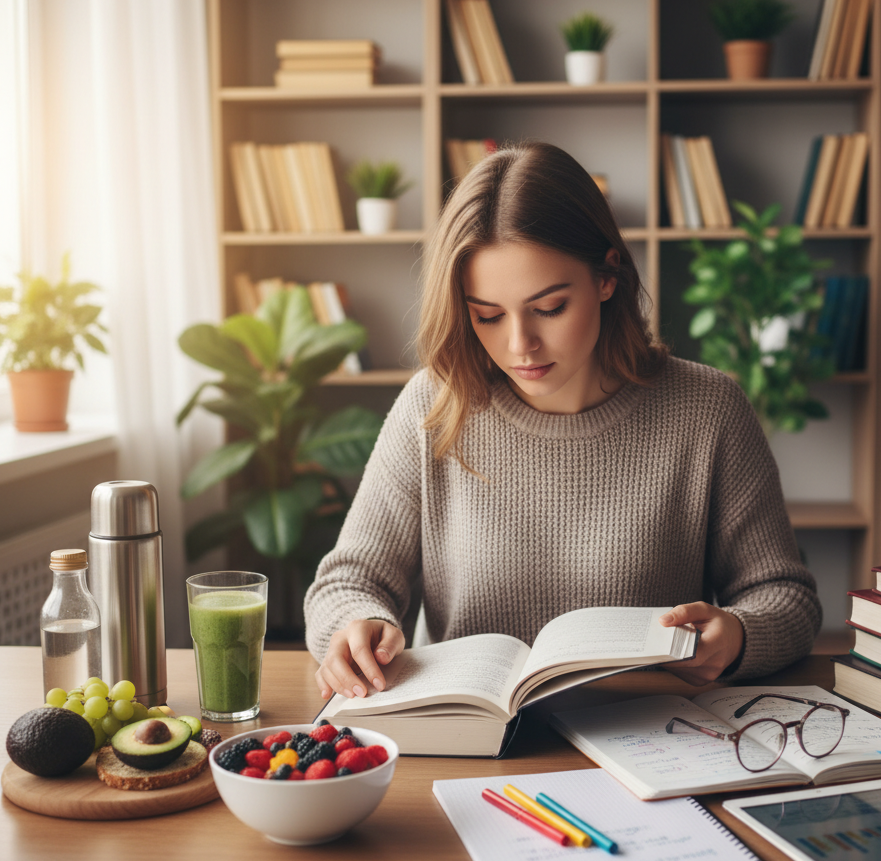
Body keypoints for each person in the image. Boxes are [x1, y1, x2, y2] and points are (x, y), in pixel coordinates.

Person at [305, 141, 821, 702]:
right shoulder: (433, 407)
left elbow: (785, 596)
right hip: (473, 743)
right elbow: (346, 584)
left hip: (650, 742)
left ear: (607, 276)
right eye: (488, 315)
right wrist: (355, 626)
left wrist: (739, 636)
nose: (520, 344)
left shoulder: (708, 409)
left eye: (549, 308)